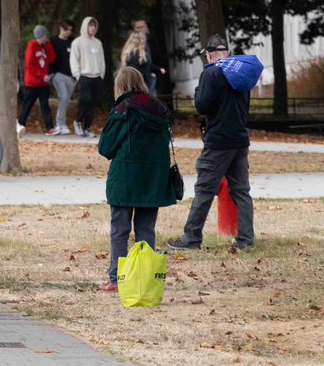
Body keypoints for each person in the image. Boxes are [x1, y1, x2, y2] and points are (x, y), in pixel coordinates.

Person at [168, 35, 255, 251]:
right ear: (227, 52)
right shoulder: (241, 72)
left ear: (208, 55)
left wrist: (199, 91)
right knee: (241, 190)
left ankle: (191, 238)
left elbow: (202, 105)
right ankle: (245, 239)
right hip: (240, 139)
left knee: (204, 189)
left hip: (218, 141)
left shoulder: (211, 72)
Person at [96, 67, 175, 291]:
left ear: (120, 85)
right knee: (146, 230)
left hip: (126, 178)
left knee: (119, 230)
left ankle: (117, 279)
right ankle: (144, 277)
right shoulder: (159, 108)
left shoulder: (123, 108)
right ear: (141, 82)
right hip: (154, 178)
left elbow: (106, 147)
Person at [70, 16, 106, 138]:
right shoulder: (77, 42)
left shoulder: (98, 43)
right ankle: (78, 121)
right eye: (90, 25)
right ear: (85, 26)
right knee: (86, 100)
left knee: (93, 104)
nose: (92, 28)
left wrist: (101, 74)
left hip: (96, 76)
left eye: (94, 25)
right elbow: (74, 60)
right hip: (84, 76)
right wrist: (77, 75)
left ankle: (87, 127)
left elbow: (102, 60)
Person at [17, 25, 55, 135]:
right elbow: (30, 65)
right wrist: (41, 75)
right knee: (27, 105)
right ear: (41, 36)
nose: (47, 37)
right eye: (45, 36)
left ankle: (49, 128)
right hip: (32, 83)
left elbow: (52, 58)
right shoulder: (31, 46)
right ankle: (20, 125)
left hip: (43, 83)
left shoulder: (44, 47)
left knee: (45, 106)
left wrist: (48, 44)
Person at [48, 23, 74, 135]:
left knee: (66, 100)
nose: (67, 31)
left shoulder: (71, 43)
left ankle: (63, 124)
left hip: (71, 76)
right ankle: (59, 124)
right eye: (65, 29)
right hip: (58, 74)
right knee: (63, 97)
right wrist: (51, 73)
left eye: (70, 30)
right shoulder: (53, 41)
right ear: (60, 28)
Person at [132, 18, 167, 96]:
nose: (140, 29)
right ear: (134, 29)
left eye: (142, 27)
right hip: (137, 77)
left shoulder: (151, 40)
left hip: (150, 75)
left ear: (146, 28)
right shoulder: (131, 44)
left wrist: (155, 71)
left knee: (148, 98)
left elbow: (156, 57)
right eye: (138, 27)